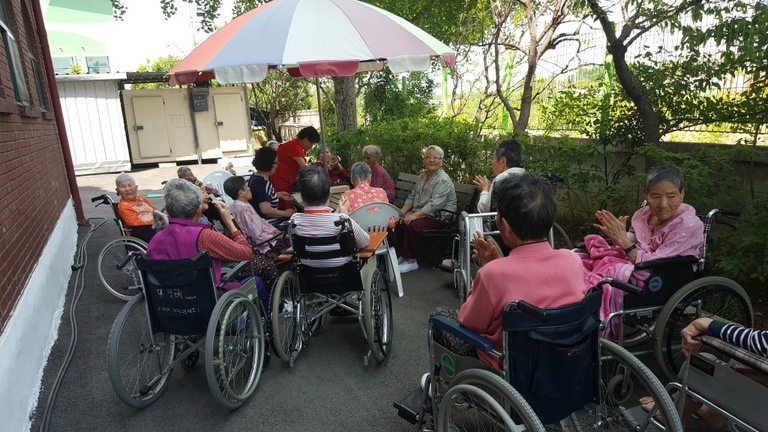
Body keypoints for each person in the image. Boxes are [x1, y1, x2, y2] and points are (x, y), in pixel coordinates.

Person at [430, 173, 586, 370]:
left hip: (510, 366)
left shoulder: (493, 274)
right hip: (561, 359)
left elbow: (469, 322)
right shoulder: (572, 259)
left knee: (439, 316)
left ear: (505, 226)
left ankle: (444, 385)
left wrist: (488, 270)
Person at [579, 165, 704, 334]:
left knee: (602, 282)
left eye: (671, 196)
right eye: (655, 196)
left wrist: (623, 241)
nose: (663, 204)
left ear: (682, 195)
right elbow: (634, 239)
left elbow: (656, 261)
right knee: (579, 261)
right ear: (646, 195)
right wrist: (618, 236)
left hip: (666, 273)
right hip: (636, 264)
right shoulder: (643, 215)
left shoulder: (688, 224)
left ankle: (592, 323)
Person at [146, 179, 277, 308]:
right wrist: (229, 222)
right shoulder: (204, 236)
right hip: (204, 300)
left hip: (169, 303)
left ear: (169, 209)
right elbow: (246, 253)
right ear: (198, 209)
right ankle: (275, 311)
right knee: (257, 282)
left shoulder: (156, 239)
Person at [290, 165, 370, 268]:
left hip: (310, 278)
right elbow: (364, 242)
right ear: (329, 195)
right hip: (344, 277)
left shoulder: (294, 221)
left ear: (302, 197)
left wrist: (338, 214)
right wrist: (344, 216)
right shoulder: (344, 221)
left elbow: (295, 247)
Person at [395, 145, 457, 273]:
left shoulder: (443, 180)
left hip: (440, 217)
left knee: (412, 224)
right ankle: (405, 255)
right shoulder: (423, 176)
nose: (431, 160)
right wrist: (402, 212)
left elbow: (435, 205)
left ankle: (411, 261)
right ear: (424, 161)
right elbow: (412, 196)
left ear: (441, 161)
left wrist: (414, 215)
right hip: (424, 214)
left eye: (435, 157)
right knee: (400, 221)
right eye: (428, 157)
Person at [223, 176, 287, 254]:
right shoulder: (244, 210)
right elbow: (257, 236)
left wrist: (274, 230)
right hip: (265, 246)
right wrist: (278, 236)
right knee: (294, 241)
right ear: (241, 193)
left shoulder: (241, 205)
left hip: (268, 238)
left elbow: (261, 221)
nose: (249, 188)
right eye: (246, 186)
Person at [270, 126, 321, 209]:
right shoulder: (294, 146)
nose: (311, 146)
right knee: (285, 206)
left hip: (286, 180)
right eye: (311, 142)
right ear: (304, 138)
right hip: (281, 181)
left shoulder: (296, 145)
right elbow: (304, 168)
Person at [473, 138, 525, 213]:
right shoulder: (525, 175)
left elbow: (484, 210)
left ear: (503, 161)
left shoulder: (501, 179)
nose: (492, 164)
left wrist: (485, 190)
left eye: (493, 160)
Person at [248, 147, 294, 225]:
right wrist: (285, 213)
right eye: (276, 162)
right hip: (268, 226)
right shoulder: (262, 183)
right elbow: (266, 210)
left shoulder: (254, 177)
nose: (277, 166)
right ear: (271, 164)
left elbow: (260, 197)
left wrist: (278, 195)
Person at [115, 173, 157, 243]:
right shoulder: (124, 206)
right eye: (123, 186)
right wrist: (157, 222)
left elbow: (155, 211)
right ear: (118, 191)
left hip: (154, 227)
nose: (127, 189)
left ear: (136, 187)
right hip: (143, 233)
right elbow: (137, 224)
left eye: (130, 185)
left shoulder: (142, 199)